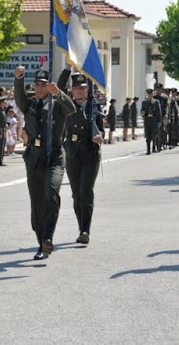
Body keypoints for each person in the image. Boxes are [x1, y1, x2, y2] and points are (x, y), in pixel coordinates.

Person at [13, 66, 76, 260]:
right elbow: (19, 97)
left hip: (54, 156)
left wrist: (59, 93)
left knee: (52, 195)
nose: (40, 88)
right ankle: (41, 242)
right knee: (37, 205)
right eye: (37, 85)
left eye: (44, 85)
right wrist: (19, 78)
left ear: (49, 86)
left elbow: (72, 109)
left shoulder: (57, 105)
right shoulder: (30, 104)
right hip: (34, 157)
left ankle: (48, 238)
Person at [61, 72, 104, 244]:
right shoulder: (67, 105)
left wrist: (100, 137)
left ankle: (85, 229)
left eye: (83, 88)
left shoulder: (94, 105)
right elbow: (58, 91)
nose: (80, 91)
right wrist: (67, 69)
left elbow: (101, 129)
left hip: (90, 152)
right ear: (72, 90)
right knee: (76, 194)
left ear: (87, 89)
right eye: (77, 88)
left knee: (86, 191)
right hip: (72, 152)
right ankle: (81, 226)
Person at [141, 89, 161, 155]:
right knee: (148, 136)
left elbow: (159, 112)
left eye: (151, 94)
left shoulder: (156, 102)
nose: (150, 95)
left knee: (154, 135)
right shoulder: (144, 102)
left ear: (152, 94)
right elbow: (142, 110)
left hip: (154, 120)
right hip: (147, 120)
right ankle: (148, 150)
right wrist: (143, 115)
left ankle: (154, 147)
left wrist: (159, 121)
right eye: (148, 94)